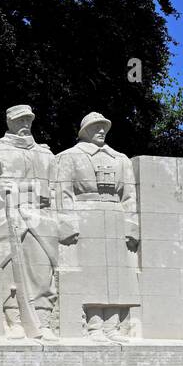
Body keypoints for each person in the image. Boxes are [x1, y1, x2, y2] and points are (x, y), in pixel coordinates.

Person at [0, 104, 74, 340]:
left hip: (42, 220)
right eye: (19, 121)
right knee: (9, 272)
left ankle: (42, 323)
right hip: (7, 218)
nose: (25, 124)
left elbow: (59, 190)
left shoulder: (45, 154)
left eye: (28, 120)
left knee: (42, 273)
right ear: (9, 123)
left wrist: (65, 221)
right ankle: (14, 322)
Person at [56, 112, 141, 340]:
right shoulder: (69, 157)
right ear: (85, 131)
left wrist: (132, 224)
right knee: (92, 273)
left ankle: (113, 325)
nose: (101, 130)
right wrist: (68, 222)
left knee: (117, 274)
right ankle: (94, 325)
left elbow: (129, 196)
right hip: (86, 215)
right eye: (95, 127)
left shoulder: (120, 159)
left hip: (115, 216)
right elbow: (63, 192)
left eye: (103, 126)